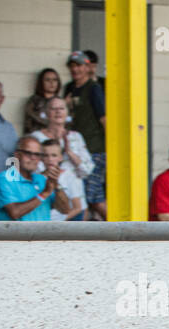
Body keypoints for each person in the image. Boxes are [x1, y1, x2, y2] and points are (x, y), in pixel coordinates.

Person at [63, 52, 106, 219]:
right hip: (75, 150)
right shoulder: (69, 89)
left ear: (88, 68)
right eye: (72, 65)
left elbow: (104, 119)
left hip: (94, 149)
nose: (75, 69)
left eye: (79, 65)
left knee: (87, 195)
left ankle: (120, 228)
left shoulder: (93, 88)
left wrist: (110, 148)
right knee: (94, 196)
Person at [0, 135, 71, 221]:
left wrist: (56, 185)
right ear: (17, 155)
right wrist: (44, 193)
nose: (33, 158)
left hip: (43, 234)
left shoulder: (42, 179)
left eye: (37, 154)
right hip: (15, 234)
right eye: (28, 153)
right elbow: (15, 213)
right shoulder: (5, 178)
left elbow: (65, 210)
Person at [38, 97, 94, 187]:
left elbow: (87, 170)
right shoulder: (36, 138)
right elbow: (33, 170)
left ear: (67, 112)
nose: (58, 111)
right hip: (46, 190)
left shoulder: (76, 136)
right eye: (53, 108)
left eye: (62, 108)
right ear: (46, 113)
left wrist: (70, 153)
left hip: (74, 192)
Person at [40, 138, 85, 221]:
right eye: (46, 155)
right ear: (41, 158)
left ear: (61, 158)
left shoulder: (69, 176)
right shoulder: (37, 177)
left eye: (54, 155)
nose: (50, 159)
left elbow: (78, 208)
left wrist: (57, 222)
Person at [24, 69, 62, 133]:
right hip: (36, 139)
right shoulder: (34, 101)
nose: (52, 83)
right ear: (41, 82)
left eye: (55, 80)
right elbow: (39, 120)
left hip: (57, 139)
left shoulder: (61, 101)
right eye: (47, 80)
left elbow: (68, 122)